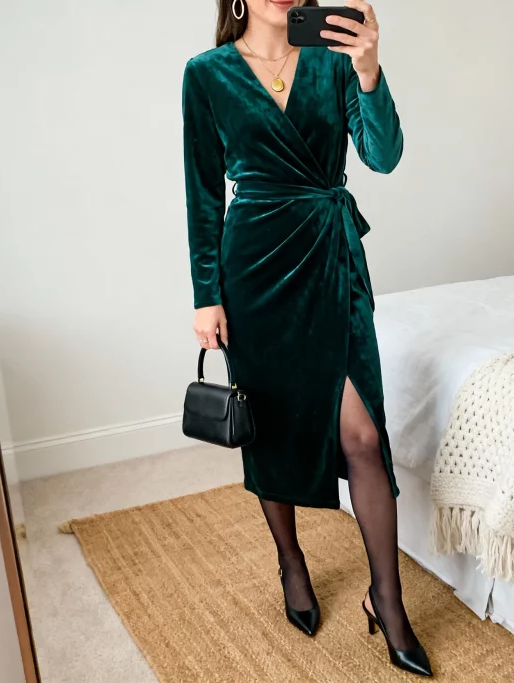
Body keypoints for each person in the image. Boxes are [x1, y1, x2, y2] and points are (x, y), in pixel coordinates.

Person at [183, 0, 431, 676]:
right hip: (254, 270)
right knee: (270, 426)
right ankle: (291, 559)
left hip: (330, 259)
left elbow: (383, 156)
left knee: (363, 436)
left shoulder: (333, 61)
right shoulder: (206, 74)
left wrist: (370, 69)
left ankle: (388, 600)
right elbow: (204, 193)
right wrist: (206, 294)